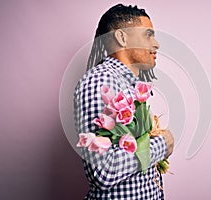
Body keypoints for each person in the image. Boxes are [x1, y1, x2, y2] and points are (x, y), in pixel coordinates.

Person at [74, 4, 174, 199]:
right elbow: (103, 171)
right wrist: (162, 146)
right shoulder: (100, 83)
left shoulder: (127, 84)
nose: (156, 44)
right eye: (148, 35)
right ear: (122, 37)